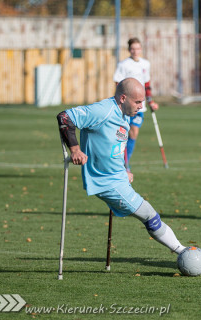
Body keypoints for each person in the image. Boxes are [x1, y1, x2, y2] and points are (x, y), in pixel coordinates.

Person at [56, 78, 185, 256]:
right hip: (107, 182)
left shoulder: (124, 114)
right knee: (149, 215)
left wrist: (124, 170)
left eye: (142, 102)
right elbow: (65, 117)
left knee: (150, 214)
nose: (141, 106)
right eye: (138, 102)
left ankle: (181, 251)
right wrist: (75, 149)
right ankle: (183, 252)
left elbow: (113, 146)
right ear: (123, 98)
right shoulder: (103, 110)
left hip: (118, 177)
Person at [113, 37, 159, 171]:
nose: (135, 51)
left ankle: (125, 162)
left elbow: (147, 84)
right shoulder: (123, 64)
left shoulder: (145, 64)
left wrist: (150, 101)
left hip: (140, 106)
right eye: (133, 49)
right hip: (126, 106)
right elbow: (118, 83)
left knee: (133, 133)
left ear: (141, 49)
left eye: (138, 48)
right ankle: (119, 161)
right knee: (122, 134)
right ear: (129, 50)